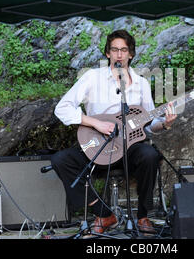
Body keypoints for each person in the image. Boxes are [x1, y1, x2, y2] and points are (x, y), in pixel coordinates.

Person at [51, 29, 177, 235]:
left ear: (131, 54)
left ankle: (143, 216)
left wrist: (165, 124)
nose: (119, 54)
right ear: (108, 53)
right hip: (98, 147)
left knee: (150, 155)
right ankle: (104, 214)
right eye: (114, 50)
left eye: (124, 50)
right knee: (60, 160)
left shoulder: (141, 84)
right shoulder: (92, 77)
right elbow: (62, 109)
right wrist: (94, 123)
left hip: (128, 149)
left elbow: (150, 122)